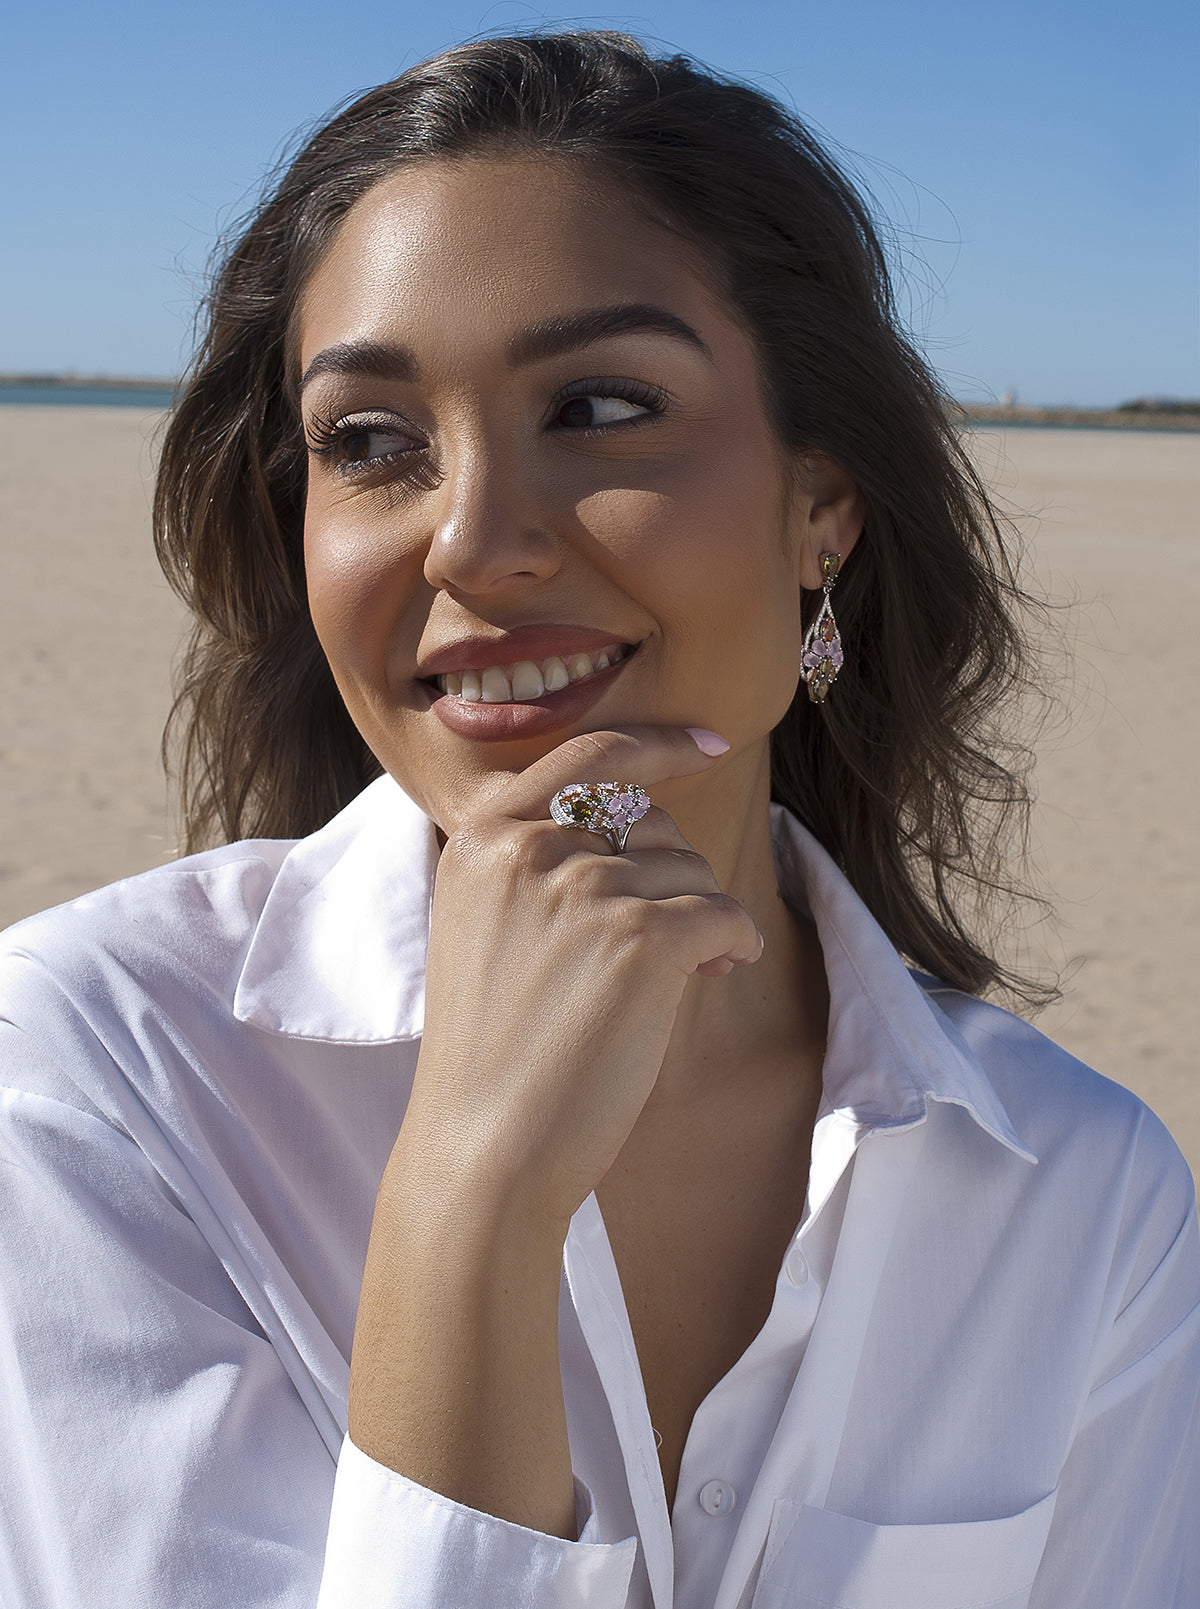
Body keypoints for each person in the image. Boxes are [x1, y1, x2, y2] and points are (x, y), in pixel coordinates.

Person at [0, 30, 1196, 1609]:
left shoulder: (1079, 1187)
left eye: (603, 405)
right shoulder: (88, 1077)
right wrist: (469, 1200)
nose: (475, 544)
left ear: (820, 506)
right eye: (372, 444)